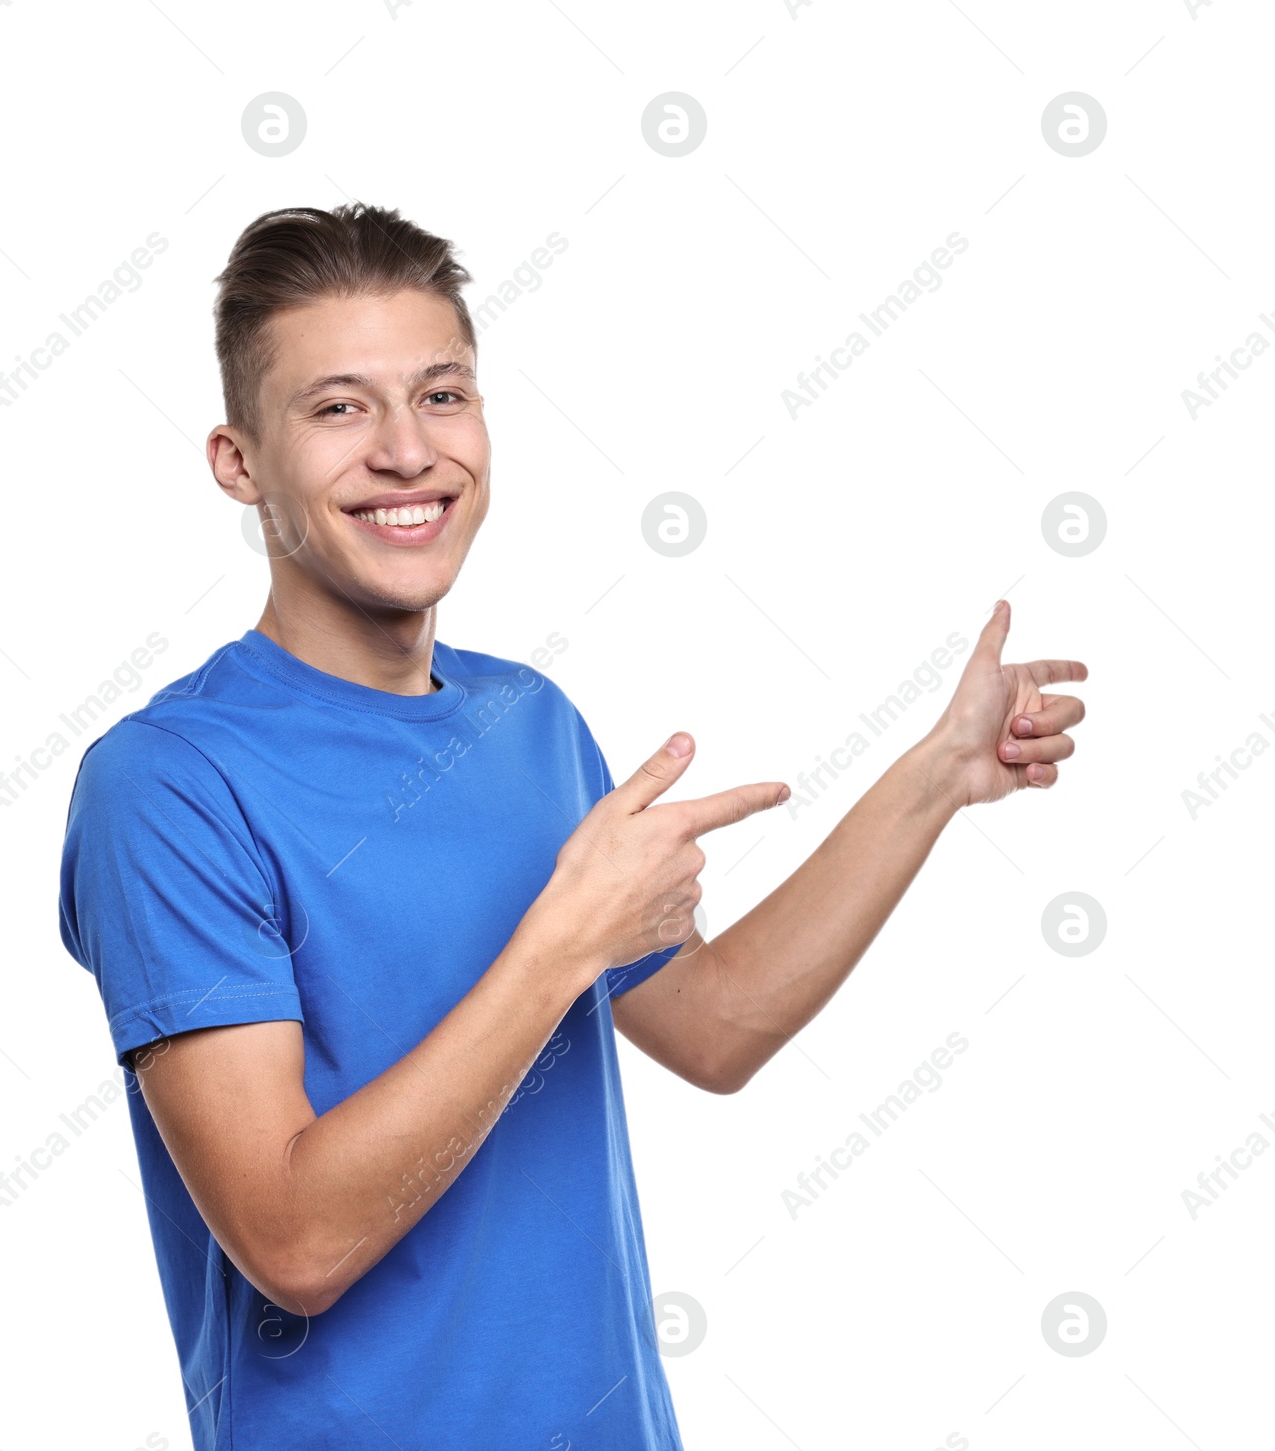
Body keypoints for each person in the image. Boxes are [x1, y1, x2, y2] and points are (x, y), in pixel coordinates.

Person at [57, 202, 1088, 1450]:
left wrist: (936, 777)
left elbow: (712, 1025)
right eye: (337, 408)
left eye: (441, 394)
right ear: (239, 461)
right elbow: (295, 1239)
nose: (404, 450)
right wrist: (558, 944)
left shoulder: (527, 722)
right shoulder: (167, 783)